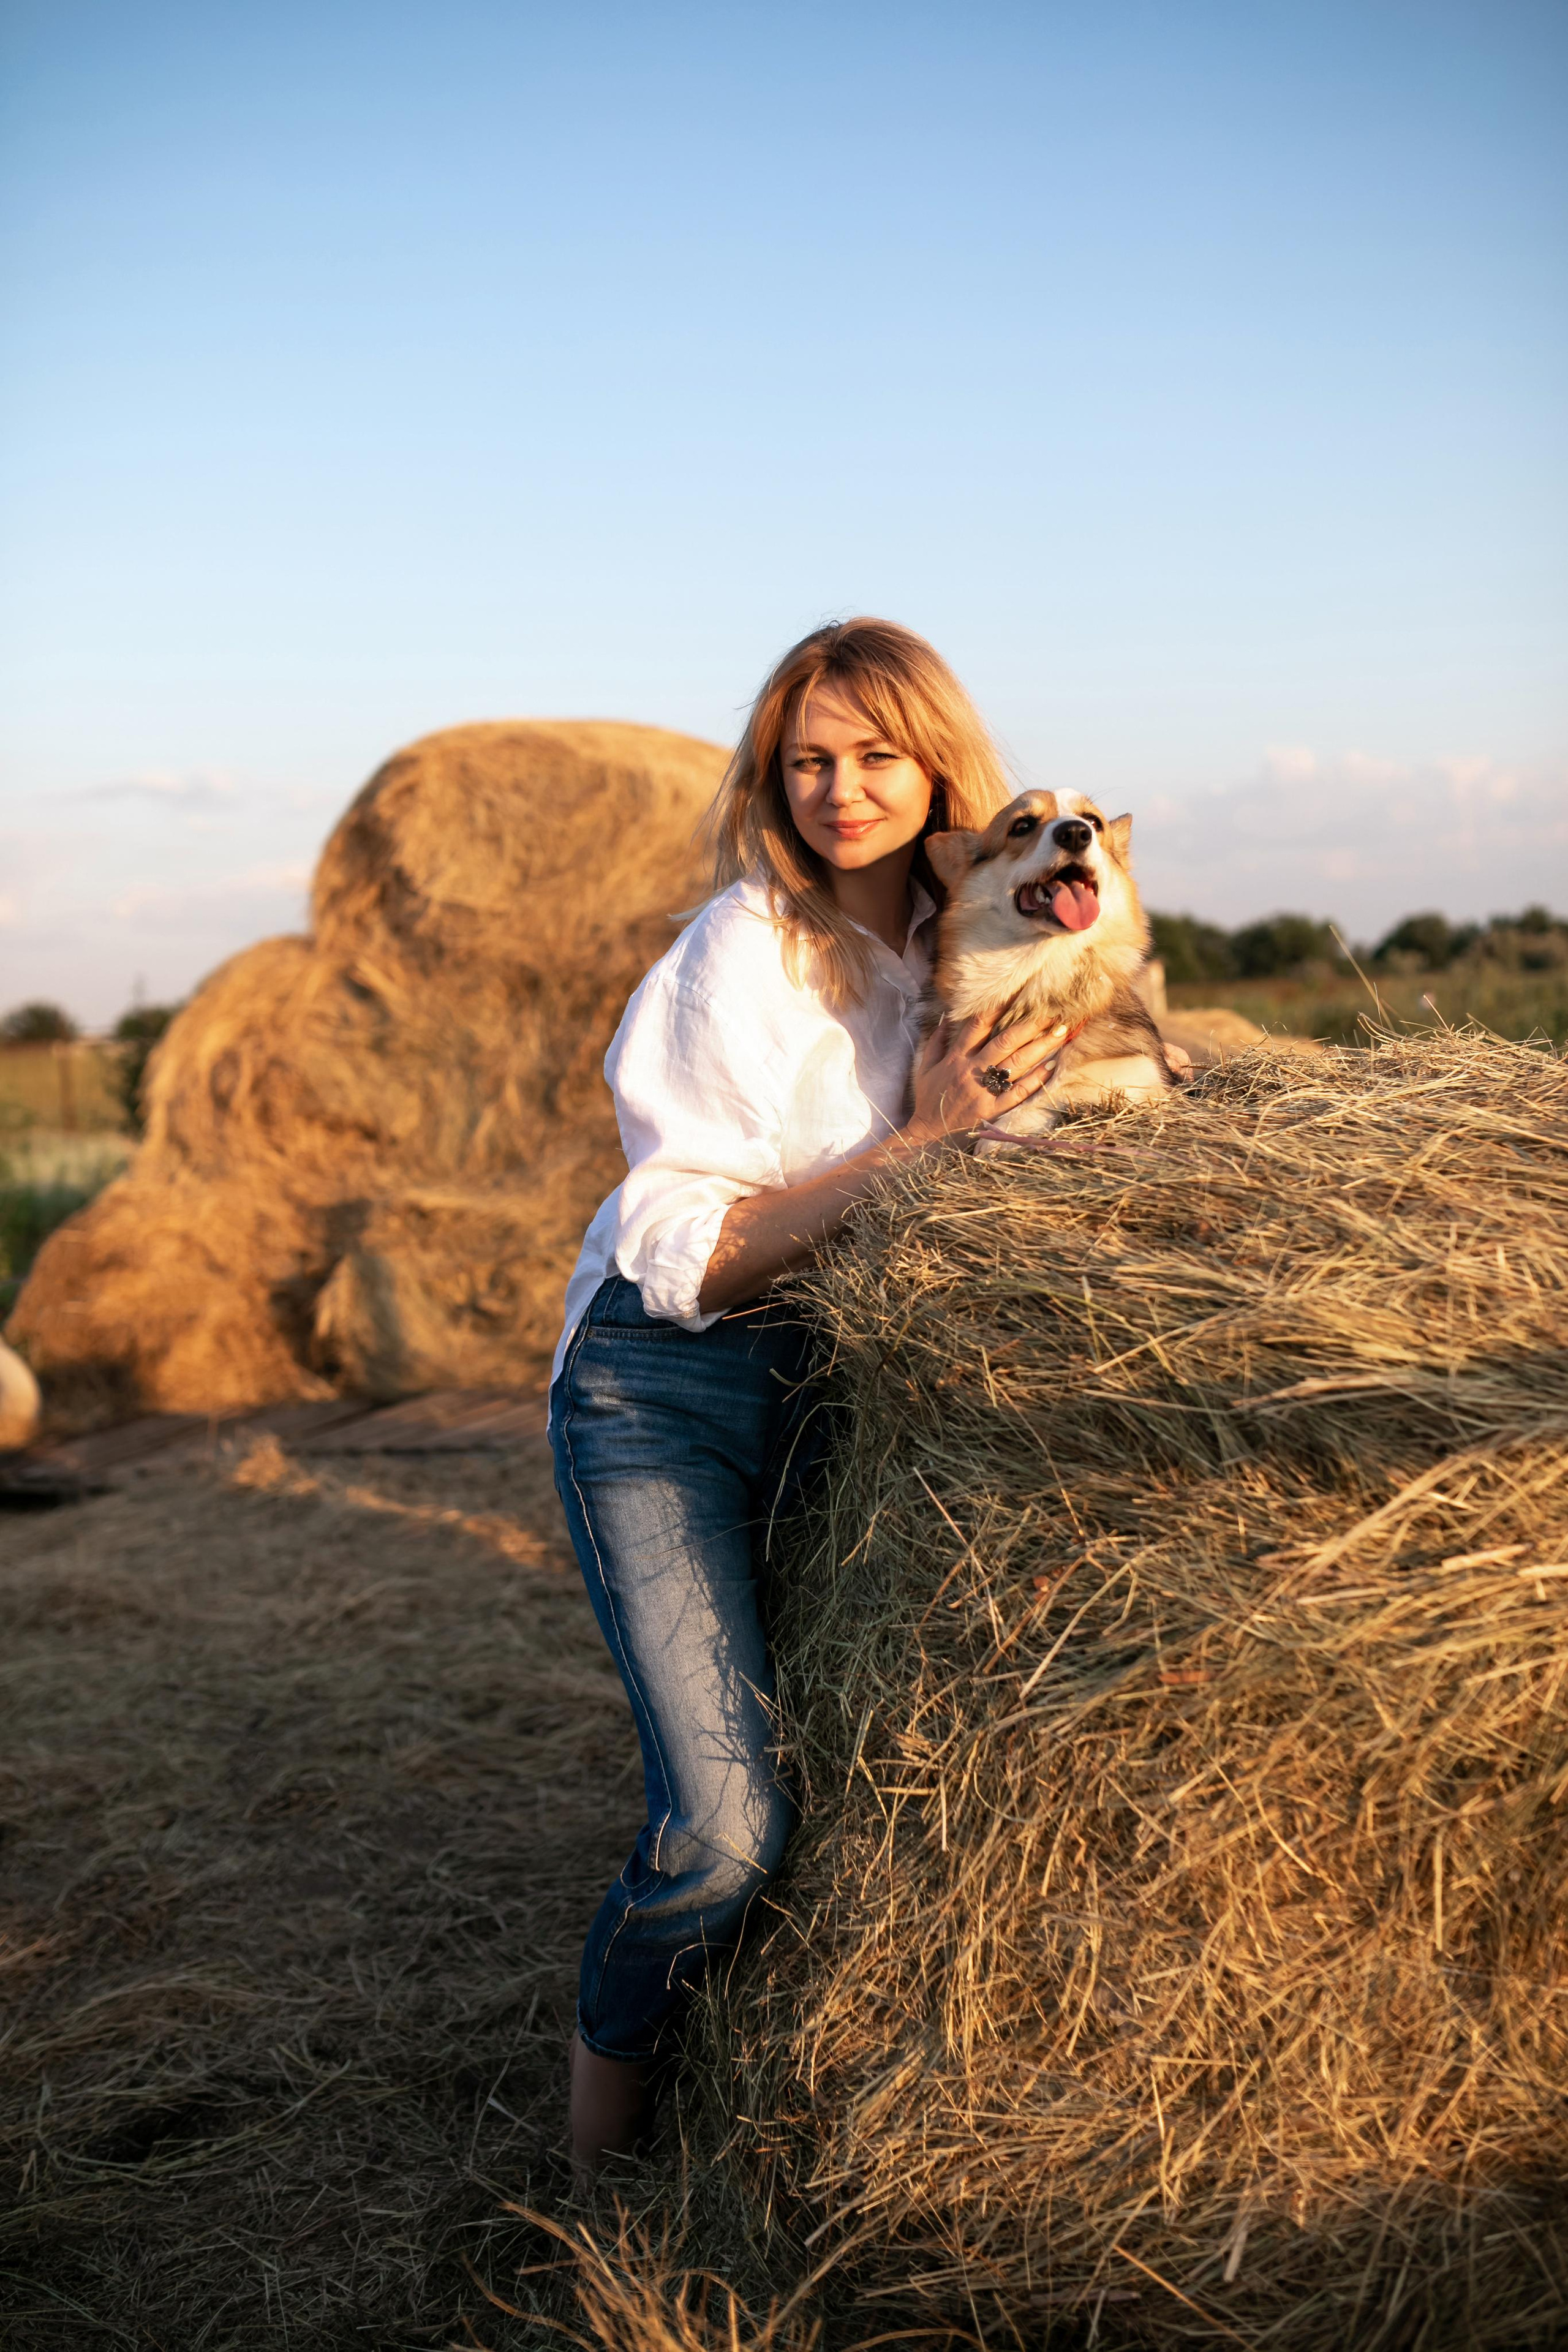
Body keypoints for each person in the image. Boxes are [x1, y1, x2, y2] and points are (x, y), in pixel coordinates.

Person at [548, 617, 1071, 2180]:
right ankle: (594, 2164)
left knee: (850, 1772)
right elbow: (692, 1260)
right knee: (720, 1831)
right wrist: (914, 1147)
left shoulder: (983, 941)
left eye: (874, 756)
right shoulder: (739, 951)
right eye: (808, 762)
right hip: (666, 1388)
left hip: (850, 1391)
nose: (841, 790)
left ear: (935, 767)